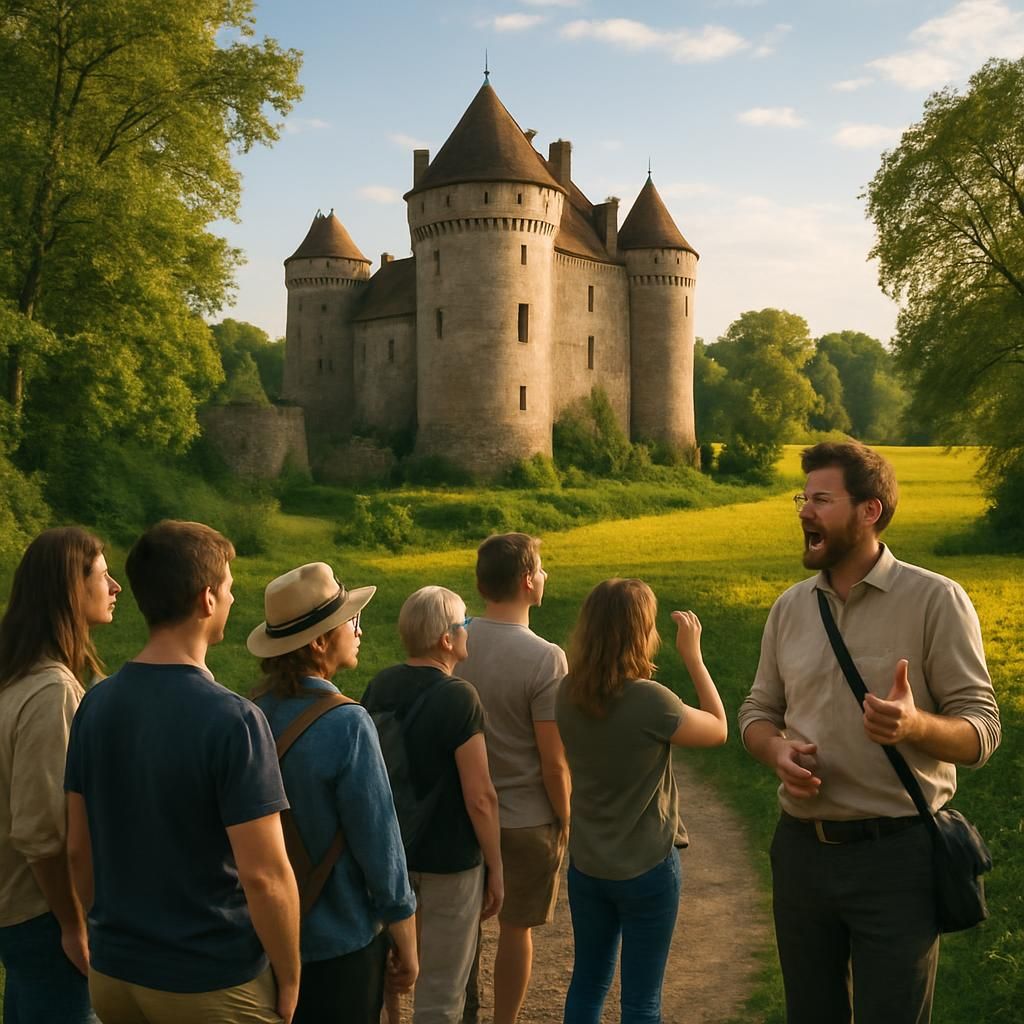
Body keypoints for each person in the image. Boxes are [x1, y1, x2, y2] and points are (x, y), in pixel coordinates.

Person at [738, 441, 1002, 1024]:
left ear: (870, 511)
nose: (805, 511)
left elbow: (981, 729)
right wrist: (776, 749)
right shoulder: (789, 608)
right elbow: (756, 712)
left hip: (898, 858)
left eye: (822, 499)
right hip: (801, 852)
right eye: (802, 499)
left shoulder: (936, 600)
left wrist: (914, 725)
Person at [64, 520, 301, 1024]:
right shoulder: (234, 720)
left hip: (115, 976)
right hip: (209, 981)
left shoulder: (96, 704)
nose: (234, 601)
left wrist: (109, 936)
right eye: (230, 589)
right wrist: (291, 974)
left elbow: (78, 847)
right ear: (207, 599)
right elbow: (265, 876)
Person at [248, 562, 418, 1024]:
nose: (360, 630)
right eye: (352, 621)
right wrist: (404, 933)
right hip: (339, 944)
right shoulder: (348, 723)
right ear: (320, 641)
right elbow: (378, 842)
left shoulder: (246, 715)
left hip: (261, 943)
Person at [556, 578, 727, 1024]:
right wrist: (694, 656)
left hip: (588, 865)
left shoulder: (566, 692)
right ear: (640, 632)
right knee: (641, 1000)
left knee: (588, 982)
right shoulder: (651, 702)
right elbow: (719, 728)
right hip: (647, 866)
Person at [363, 586, 503, 1024]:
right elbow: (480, 797)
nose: (468, 632)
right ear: (446, 639)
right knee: (442, 989)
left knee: (394, 969)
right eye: (465, 624)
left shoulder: (379, 685)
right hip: (450, 860)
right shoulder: (460, 697)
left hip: (392, 853)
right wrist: (495, 865)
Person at [0, 527, 120, 1024]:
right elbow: (44, 834)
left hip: (21, 912)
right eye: (102, 574)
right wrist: (74, 924)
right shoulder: (51, 691)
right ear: (73, 588)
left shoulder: (18, 677)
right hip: (44, 914)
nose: (115, 587)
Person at [456, 533, 569, 1024]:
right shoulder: (546, 657)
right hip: (525, 819)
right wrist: (566, 817)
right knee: (516, 930)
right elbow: (553, 759)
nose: (544, 577)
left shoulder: (455, 639)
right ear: (526, 582)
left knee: (460, 928)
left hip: (460, 811)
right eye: (541, 570)